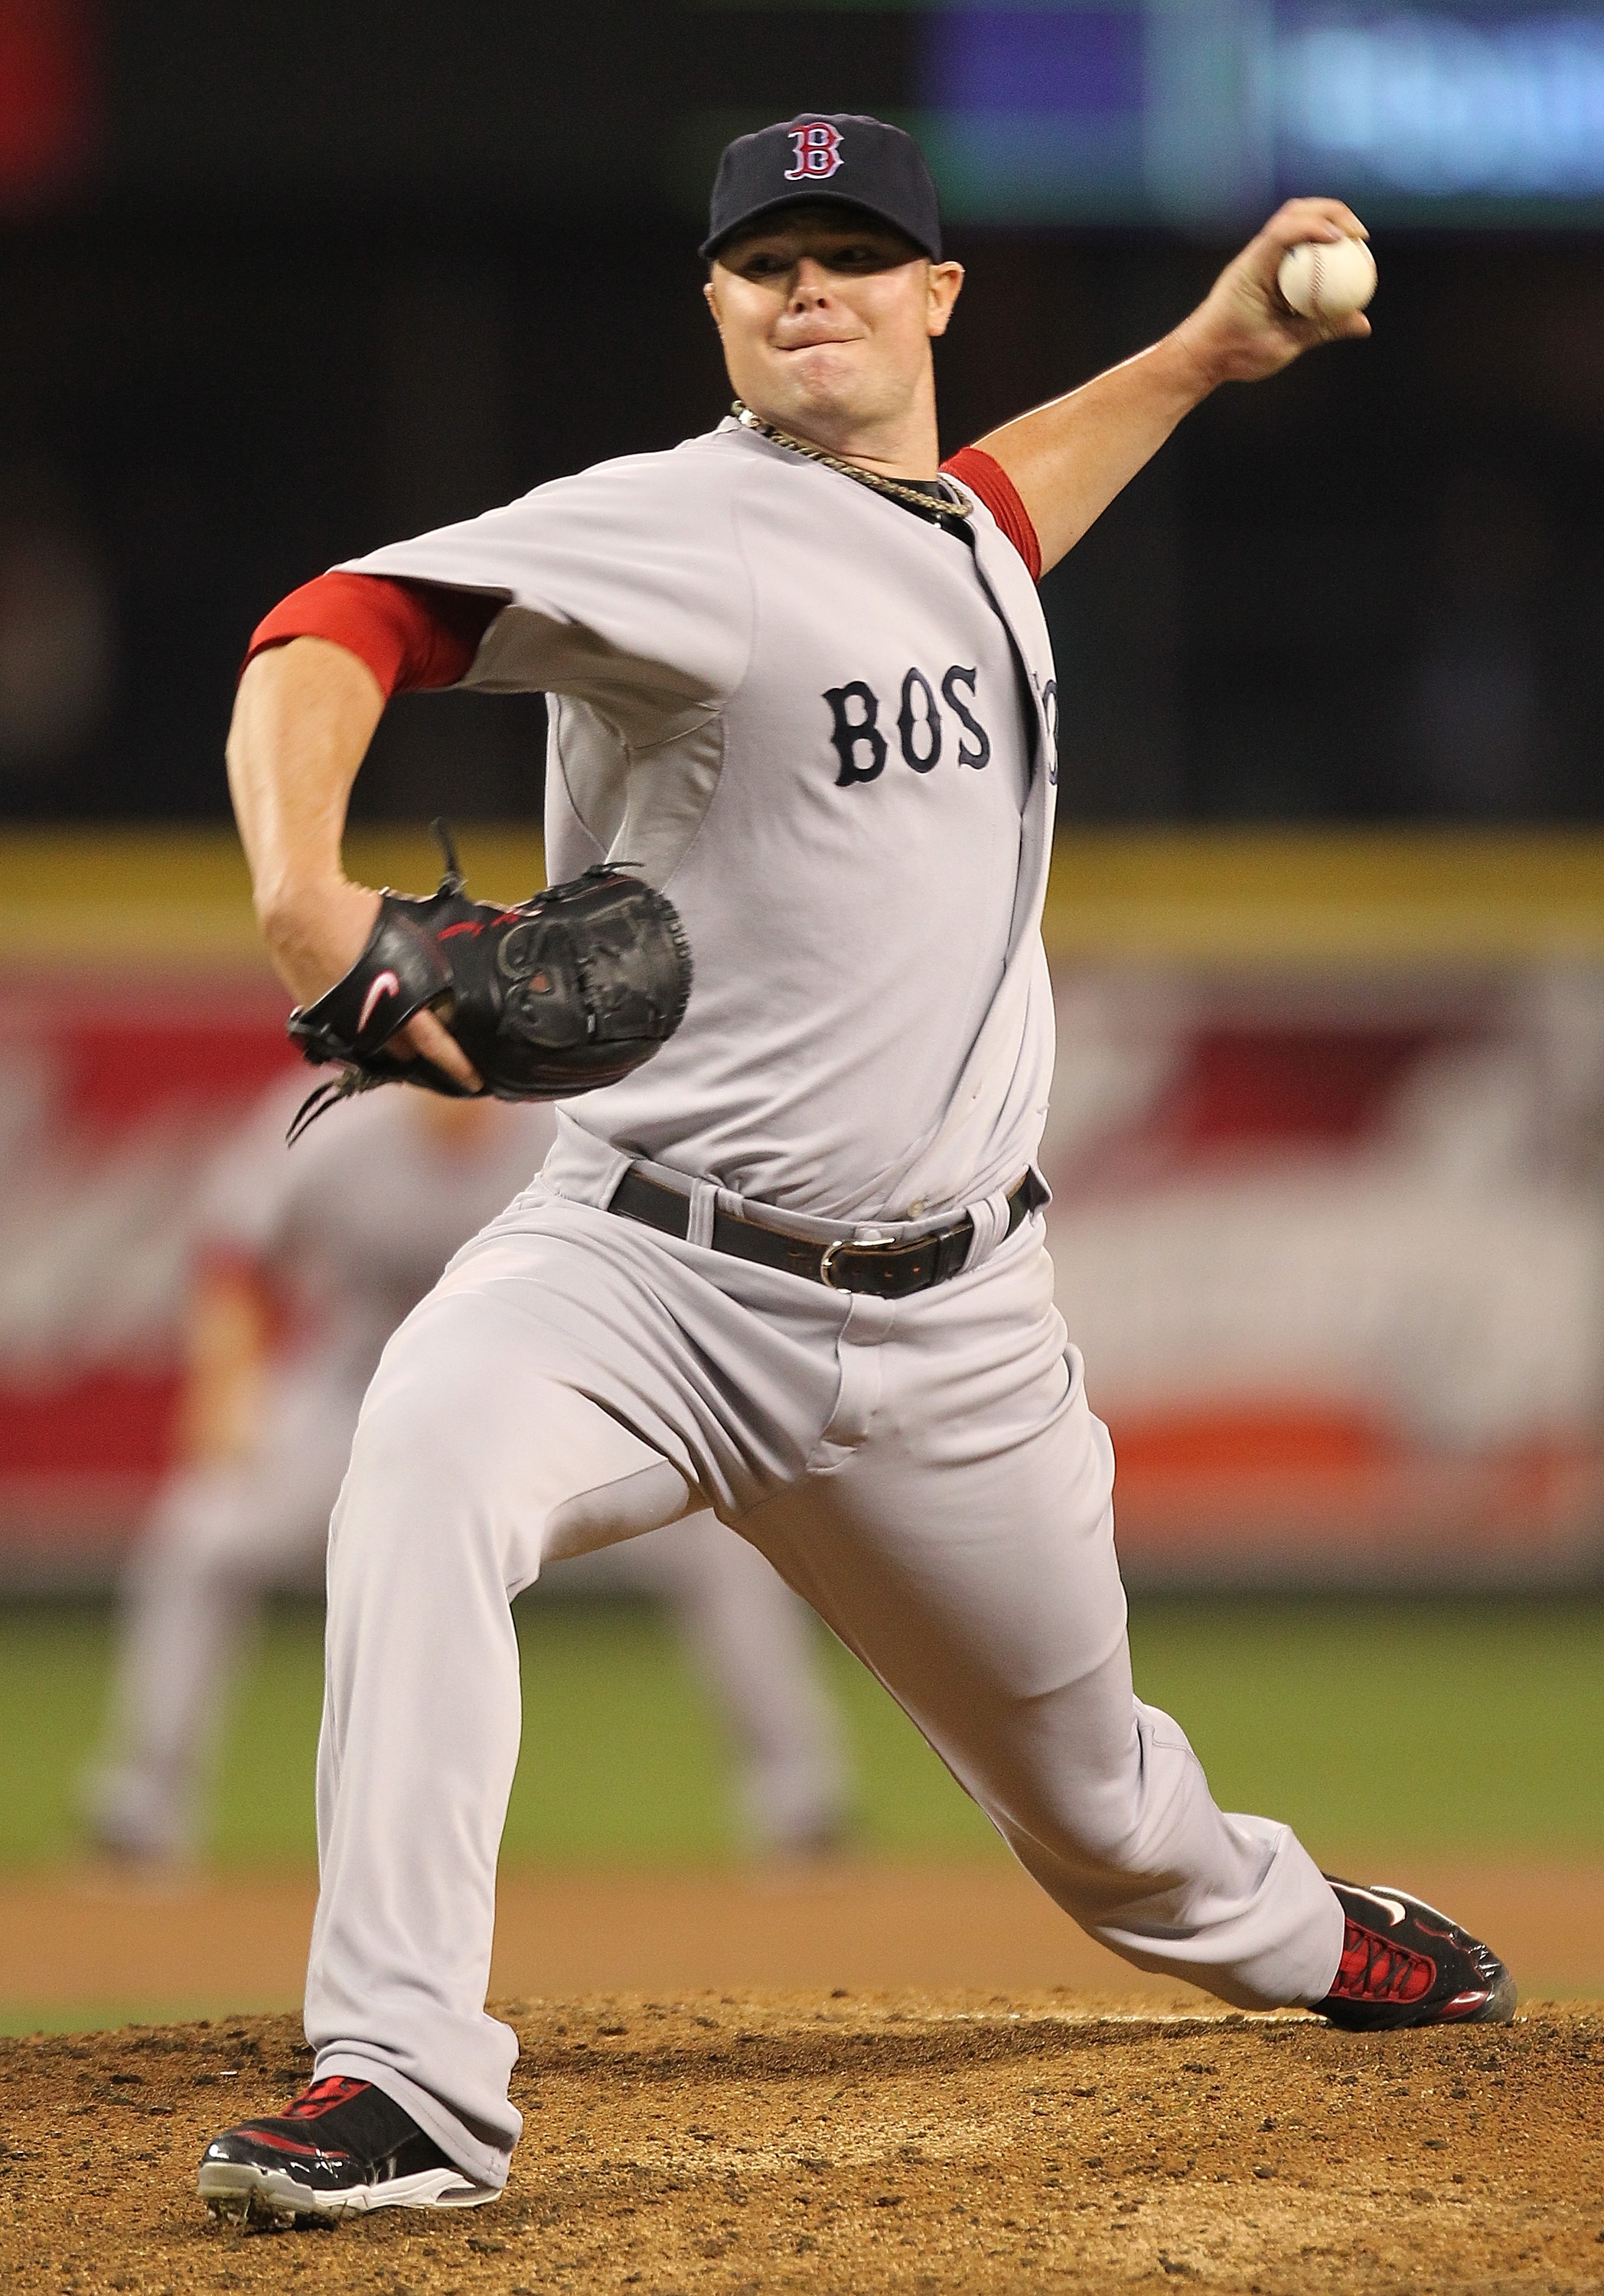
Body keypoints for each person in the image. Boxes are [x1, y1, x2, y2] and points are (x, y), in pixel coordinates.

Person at [198, 116, 1514, 2223]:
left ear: (936, 298)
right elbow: (331, 625)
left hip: (954, 1336)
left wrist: (1192, 357)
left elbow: (989, 511)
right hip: (641, 1276)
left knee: (1114, 1830)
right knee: (420, 1464)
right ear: (717, 310)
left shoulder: (948, 522)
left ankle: (1287, 1930)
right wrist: (303, 906)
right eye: (764, 263)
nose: (808, 287)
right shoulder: (670, 529)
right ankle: (405, 2074)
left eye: (852, 252)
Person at [85, 1078, 847, 1865]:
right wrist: (227, 1378)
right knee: (205, 1537)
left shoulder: (569, 1126)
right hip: (359, 1394)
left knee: (715, 1541)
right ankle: (144, 1802)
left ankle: (798, 1797)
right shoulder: (336, 1127)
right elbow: (234, 1247)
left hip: (549, 1396)